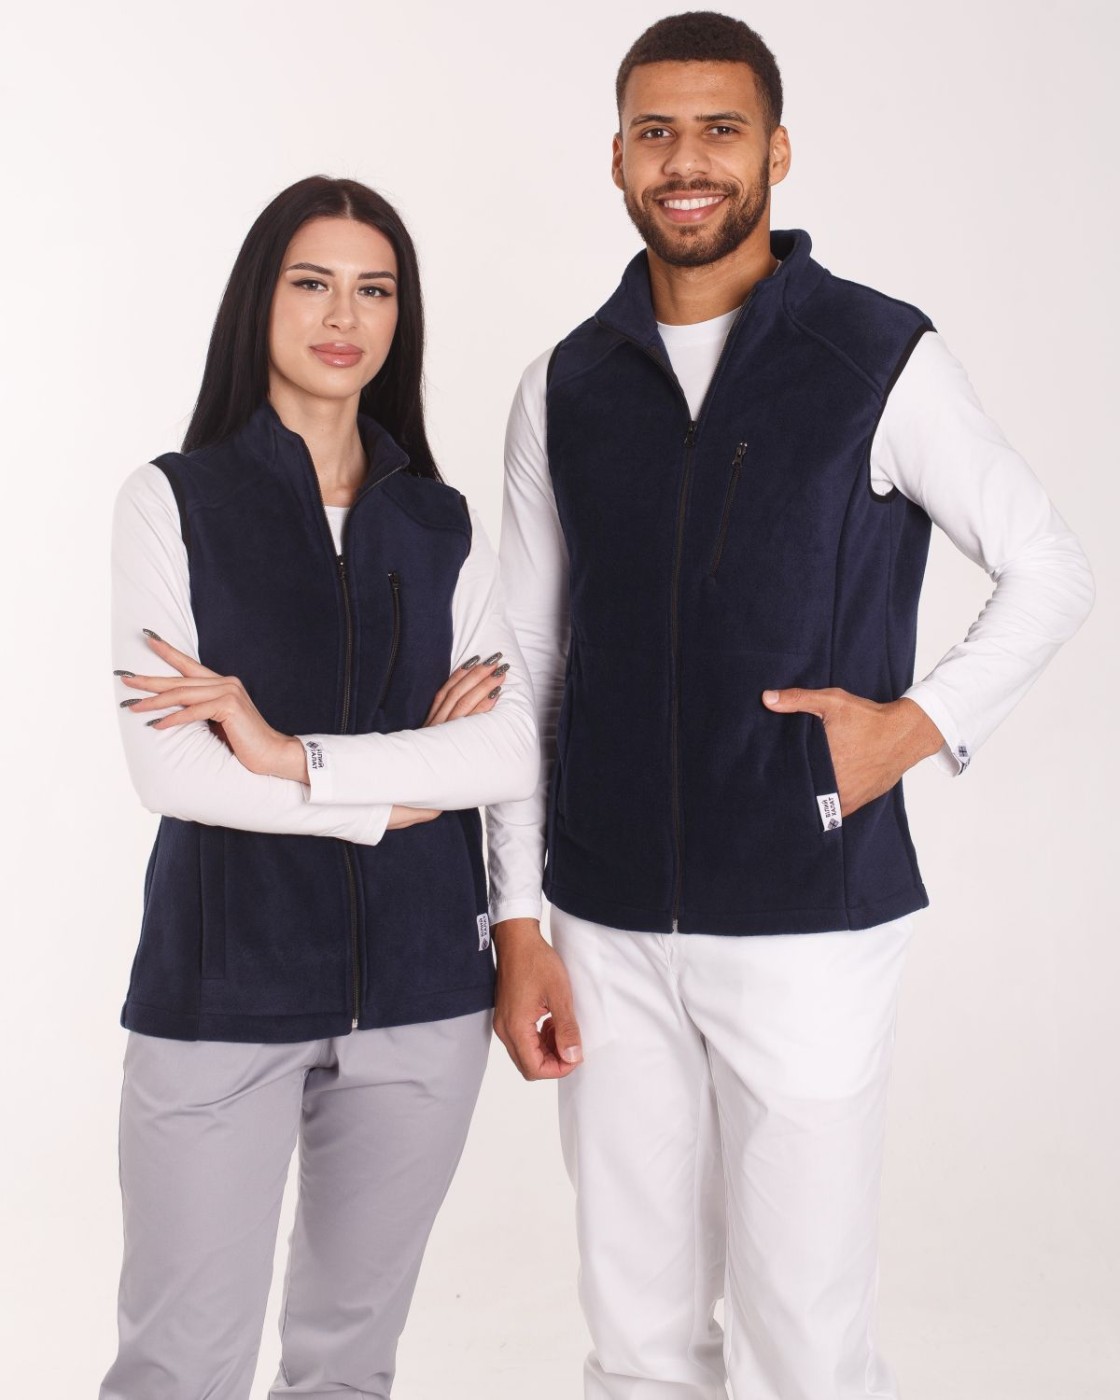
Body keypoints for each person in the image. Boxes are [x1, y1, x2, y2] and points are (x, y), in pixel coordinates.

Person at [486, 13, 1094, 1400]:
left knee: (802, 1339)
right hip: (605, 919)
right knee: (636, 1334)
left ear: (776, 151)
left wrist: (912, 728)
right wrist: (515, 918)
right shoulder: (565, 385)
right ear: (617, 157)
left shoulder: (874, 354)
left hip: (812, 912)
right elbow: (526, 661)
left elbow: (1049, 566)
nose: (686, 162)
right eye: (655, 132)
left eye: (720, 129)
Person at [101, 175, 538, 1400]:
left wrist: (293, 755)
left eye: (374, 289)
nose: (344, 316)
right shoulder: (172, 502)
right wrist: (399, 796)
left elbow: (509, 751)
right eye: (312, 282)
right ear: (261, 299)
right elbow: (170, 768)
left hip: (421, 993)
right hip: (220, 985)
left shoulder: (441, 523)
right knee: (177, 1365)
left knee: (348, 1367)